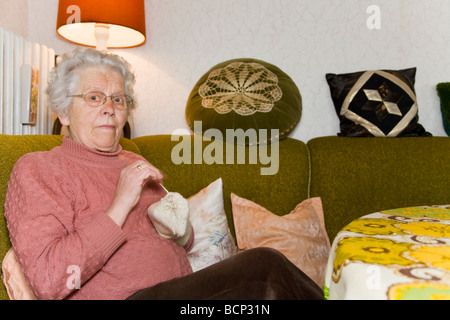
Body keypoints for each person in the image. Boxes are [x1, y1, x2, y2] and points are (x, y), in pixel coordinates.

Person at [4, 48, 323, 300]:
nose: (109, 108)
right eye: (93, 97)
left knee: (262, 275)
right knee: (262, 268)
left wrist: (181, 230)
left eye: (118, 99)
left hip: (184, 292)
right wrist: (121, 202)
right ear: (62, 111)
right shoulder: (38, 169)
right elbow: (48, 280)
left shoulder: (132, 160)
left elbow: (178, 242)